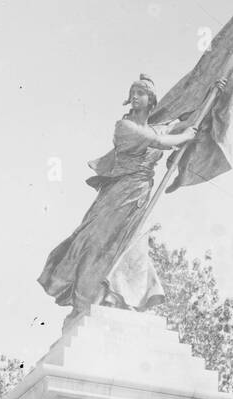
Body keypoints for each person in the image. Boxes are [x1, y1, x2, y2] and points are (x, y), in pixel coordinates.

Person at [37, 74, 199, 315]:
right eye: (132, 92)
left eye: (140, 92)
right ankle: (84, 300)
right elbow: (158, 141)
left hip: (140, 196)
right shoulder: (124, 127)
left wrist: (213, 90)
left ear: (151, 100)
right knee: (95, 242)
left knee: (130, 245)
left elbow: (175, 127)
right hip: (117, 194)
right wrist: (185, 137)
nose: (134, 96)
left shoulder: (155, 127)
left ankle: (116, 298)